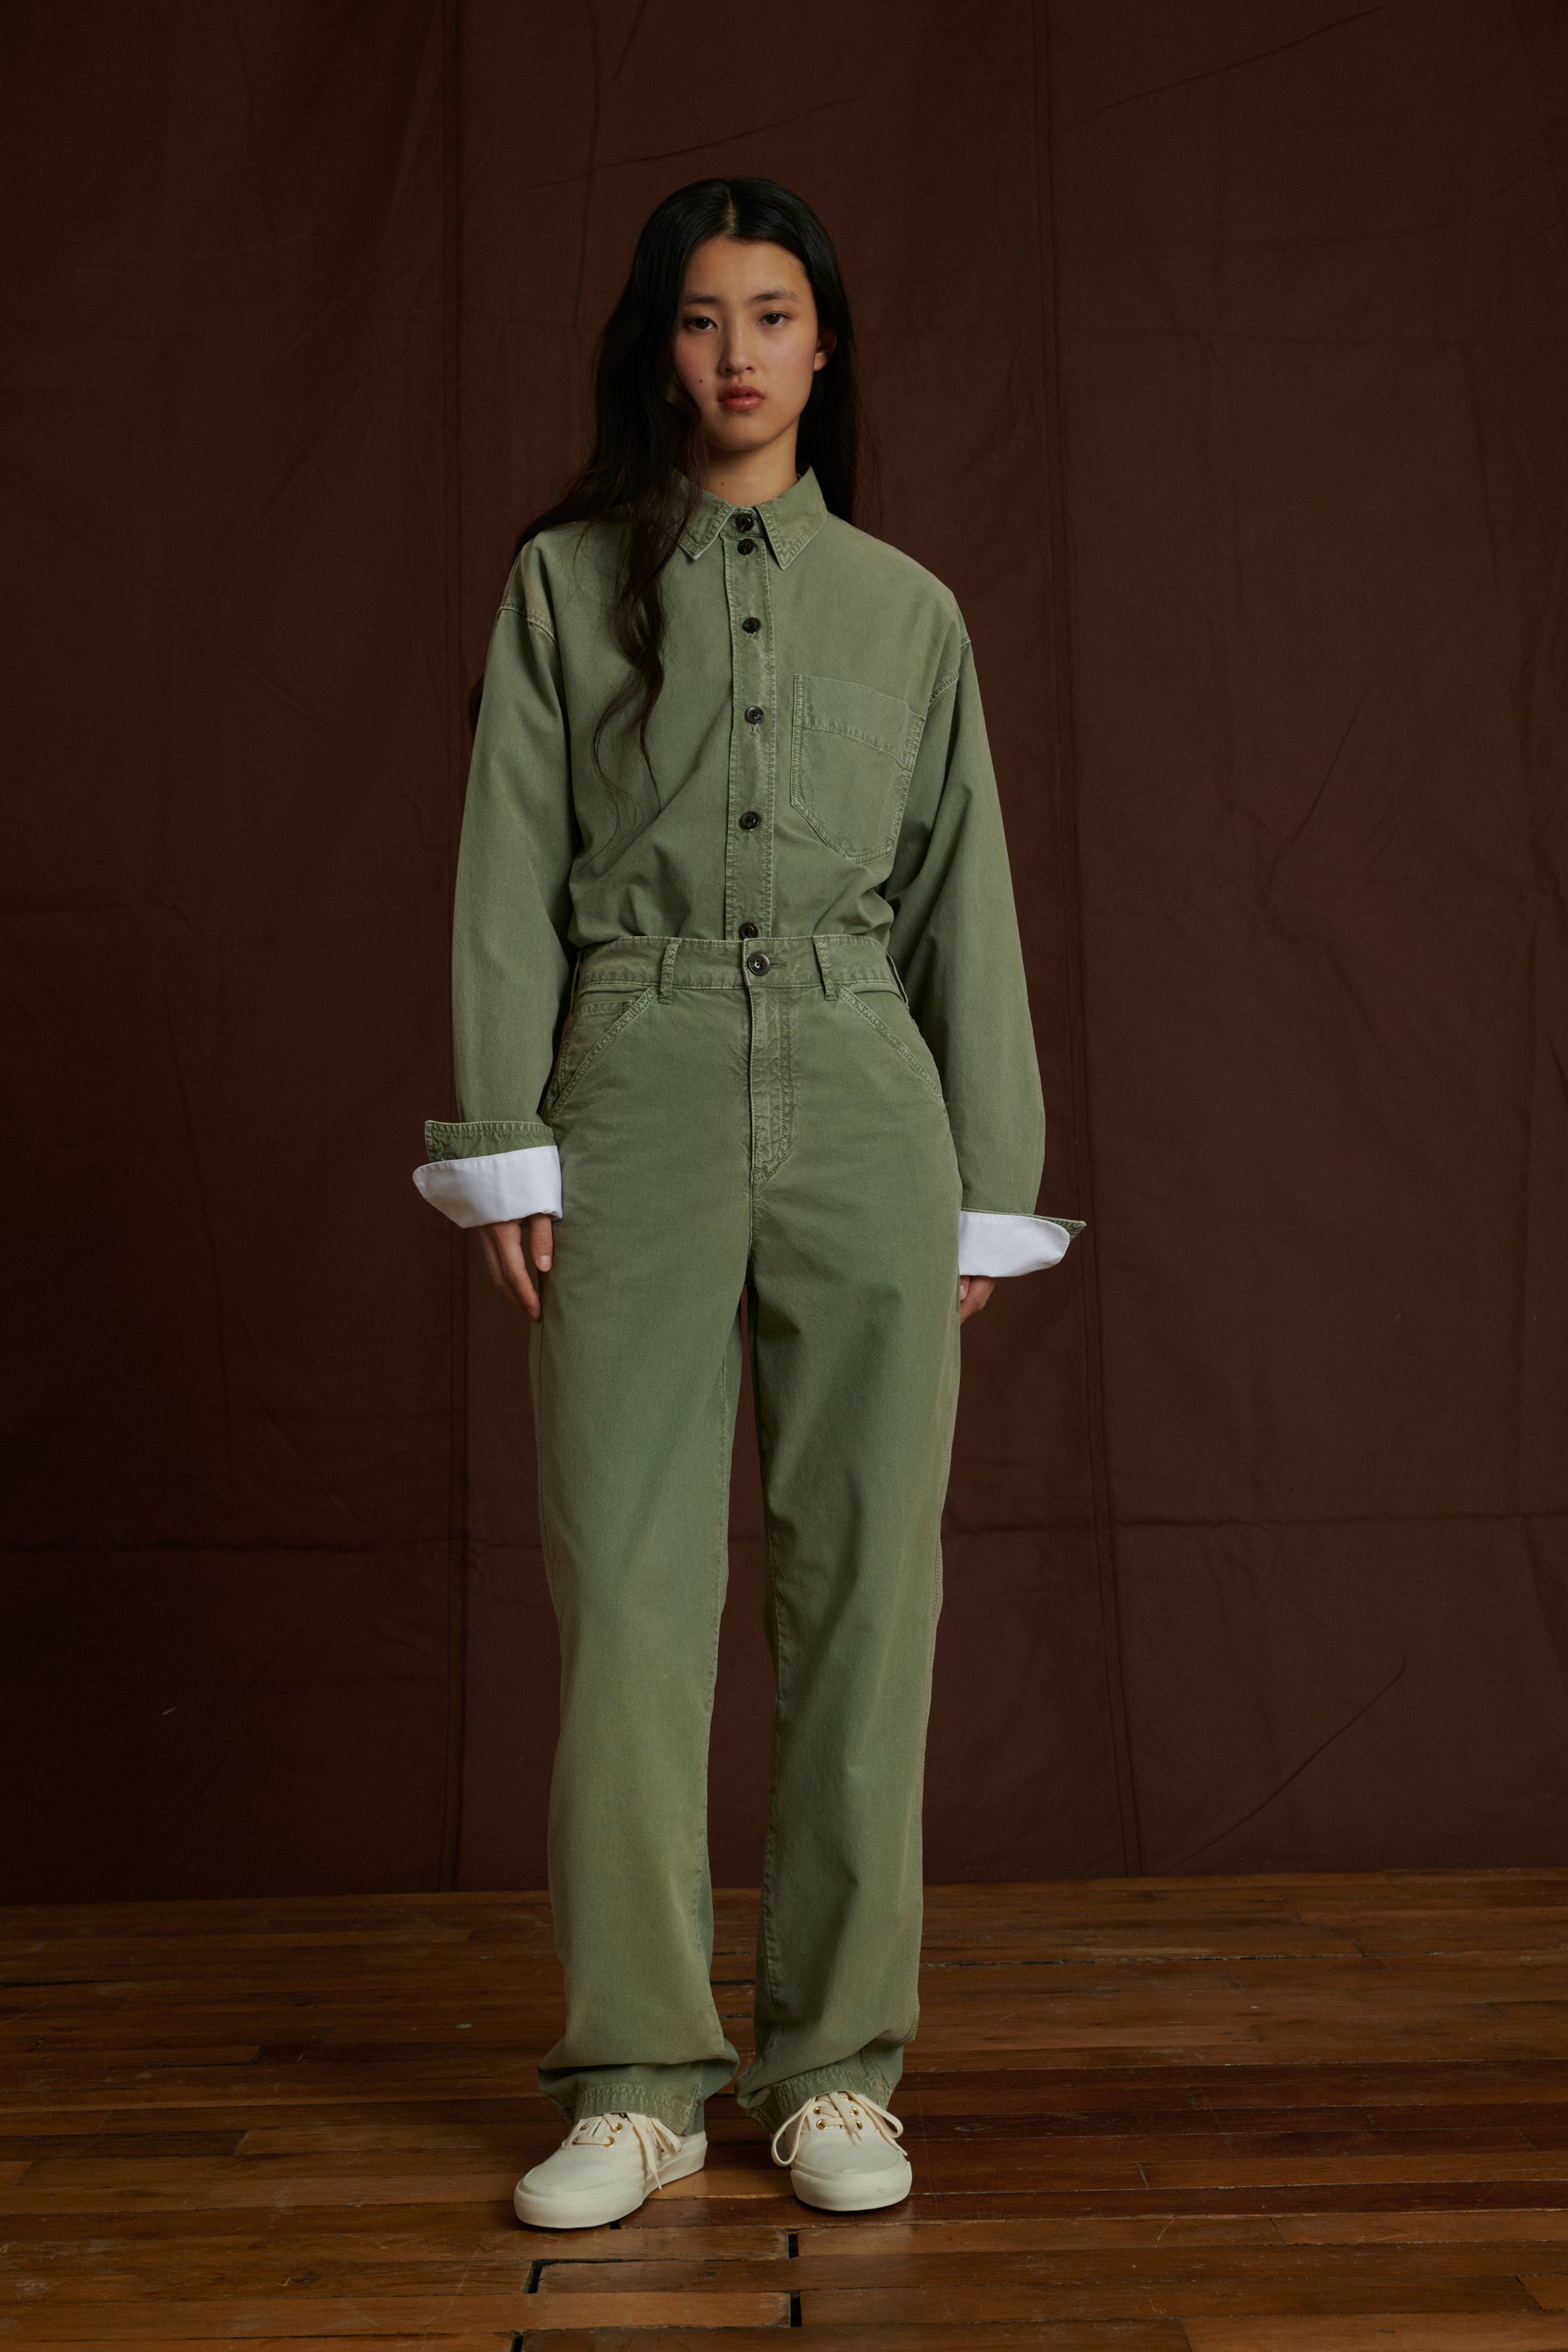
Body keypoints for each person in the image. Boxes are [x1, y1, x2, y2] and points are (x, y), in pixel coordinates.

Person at [414, 175, 1081, 2231]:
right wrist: (501, 1130)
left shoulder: (910, 611)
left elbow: (961, 900)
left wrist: (986, 1187)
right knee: (627, 1594)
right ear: (660, 348)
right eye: (701, 317)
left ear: (821, 345)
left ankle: (833, 2069)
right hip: (632, 1078)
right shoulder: (564, 589)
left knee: (867, 1593)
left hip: (867, 1089)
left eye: (771, 314)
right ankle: (631, 2078)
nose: (736, 354)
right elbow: (505, 863)